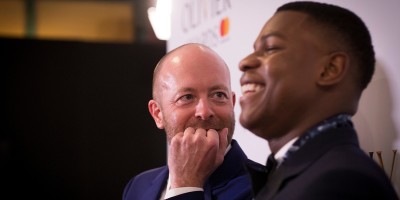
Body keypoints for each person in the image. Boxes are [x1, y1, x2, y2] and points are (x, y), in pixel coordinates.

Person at [238, 1, 399, 200]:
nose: (244, 62)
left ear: (330, 69)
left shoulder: (341, 183)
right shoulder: (303, 176)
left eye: (270, 48)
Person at [122, 43, 265, 200]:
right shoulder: (138, 186)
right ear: (157, 114)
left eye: (218, 95)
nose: (204, 112)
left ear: (231, 102)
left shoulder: (266, 187)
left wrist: (186, 185)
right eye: (187, 97)